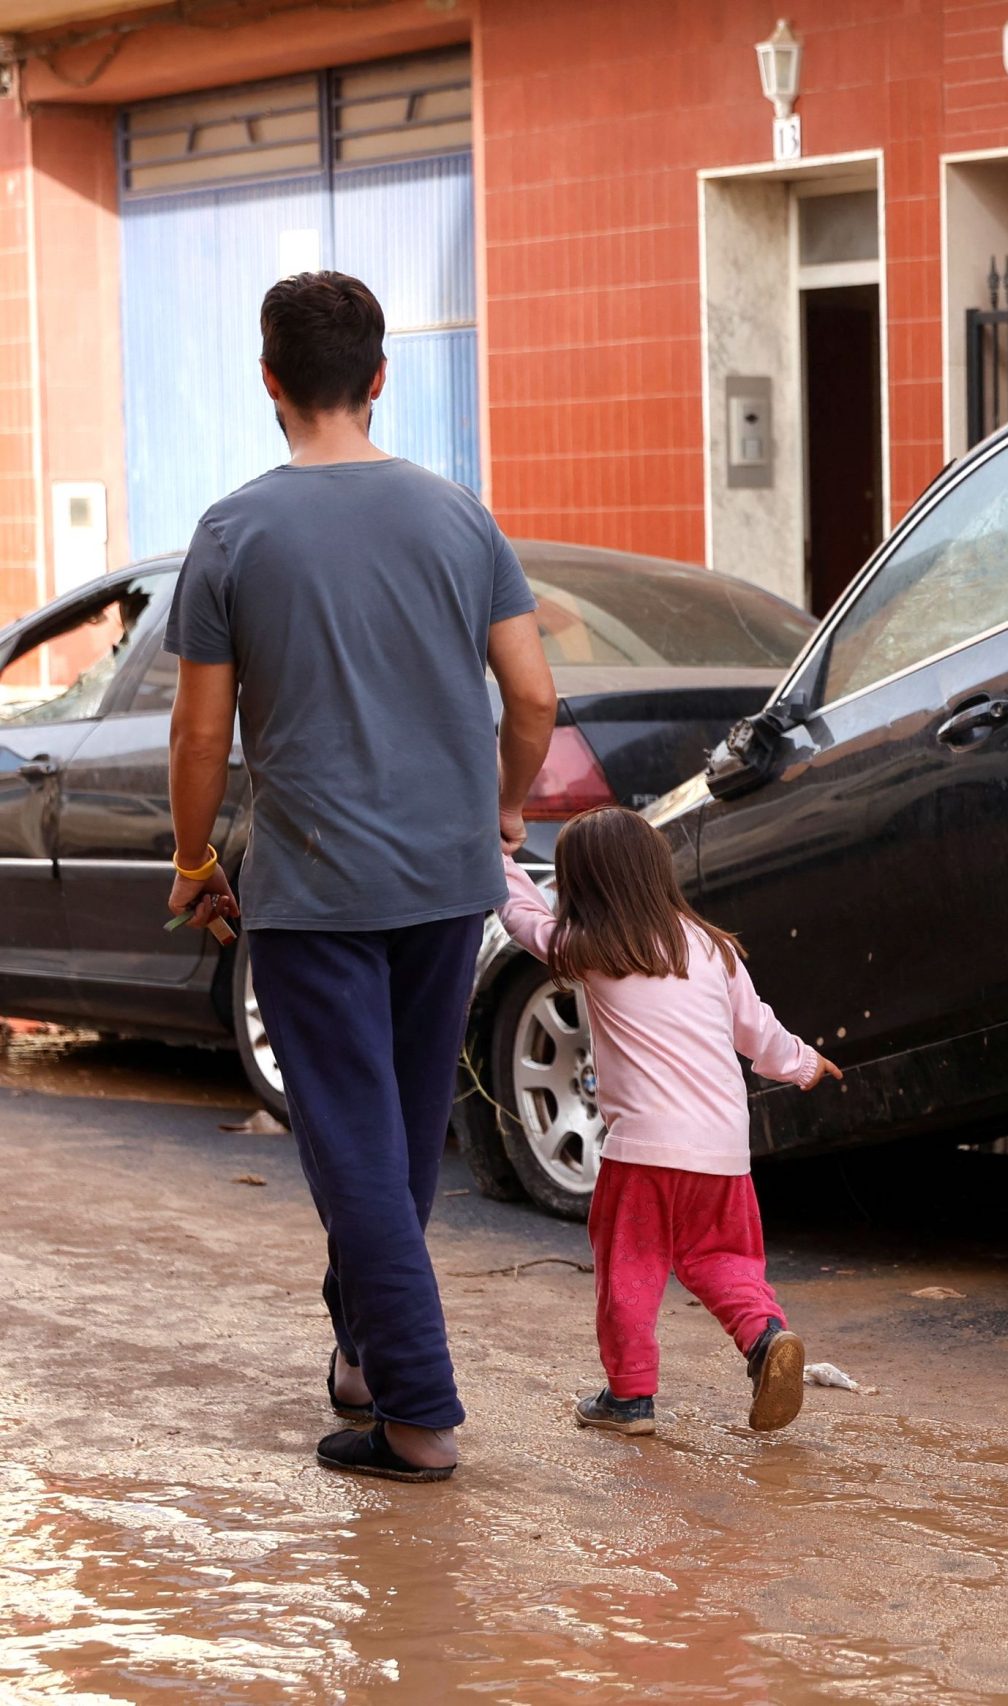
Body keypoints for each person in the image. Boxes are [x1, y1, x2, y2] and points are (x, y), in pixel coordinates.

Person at [165, 271, 557, 1483]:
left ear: (270, 383)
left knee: (351, 1147)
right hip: (447, 879)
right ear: (380, 378)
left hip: (314, 886)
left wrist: (191, 858)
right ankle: (359, 1357)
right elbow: (535, 696)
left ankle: (420, 1413)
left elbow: (198, 733)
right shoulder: (459, 517)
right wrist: (498, 811)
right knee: (387, 1144)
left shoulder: (234, 532)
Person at [493, 805, 841, 1435]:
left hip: (643, 1153)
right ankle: (765, 1338)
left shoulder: (592, 948)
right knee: (724, 1259)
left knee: (631, 1267)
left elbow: (522, 918)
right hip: (723, 1152)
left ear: (582, 887)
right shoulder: (713, 948)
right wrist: (804, 1063)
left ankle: (629, 1399)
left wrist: (496, 856)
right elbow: (758, 1032)